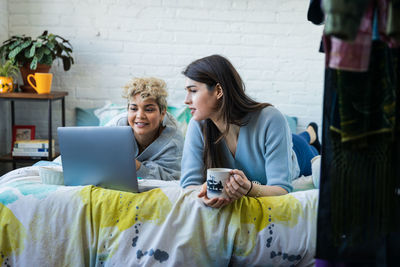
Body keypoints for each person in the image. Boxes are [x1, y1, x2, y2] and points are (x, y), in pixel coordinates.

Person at [180, 55, 320, 208]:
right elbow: (189, 184)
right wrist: (203, 192)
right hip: (275, 143)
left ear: (219, 90)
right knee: (300, 137)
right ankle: (309, 133)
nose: (186, 100)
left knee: (308, 146)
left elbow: (282, 189)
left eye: (193, 91)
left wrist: (250, 189)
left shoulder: (271, 118)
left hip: (300, 154)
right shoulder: (198, 124)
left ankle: (311, 133)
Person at [106, 77, 184, 181]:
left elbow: (172, 180)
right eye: (133, 109)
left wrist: (136, 166)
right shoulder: (115, 127)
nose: (140, 116)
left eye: (149, 109)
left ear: (162, 114)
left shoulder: (173, 141)